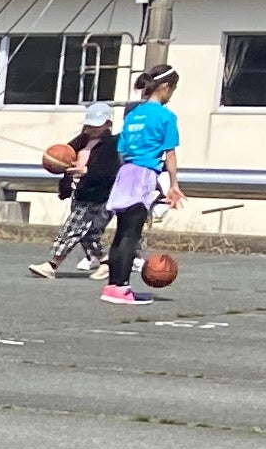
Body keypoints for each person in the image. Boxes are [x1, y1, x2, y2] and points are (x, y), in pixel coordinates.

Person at [103, 61, 187, 307]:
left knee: (121, 232)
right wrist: (173, 184)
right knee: (132, 234)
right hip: (143, 175)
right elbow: (169, 153)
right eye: (172, 90)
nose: (171, 95)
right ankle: (122, 288)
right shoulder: (166, 116)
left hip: (125, 173)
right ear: (165, 87)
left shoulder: (133, 115)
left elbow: (122, 149)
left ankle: (112, 285)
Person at [25, 103, 120, 280]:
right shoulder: (80, 141)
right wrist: (59, 173)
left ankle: (52, 264)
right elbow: (65, 161)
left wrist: (87, 171)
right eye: (89, 125)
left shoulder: (112, 145)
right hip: (80, 193)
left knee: (72, 229)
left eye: (96, 125)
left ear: (108, 124)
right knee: (88, 234)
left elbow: (110, 172)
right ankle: (106, 262)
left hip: (97, 196)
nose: (91, 129)